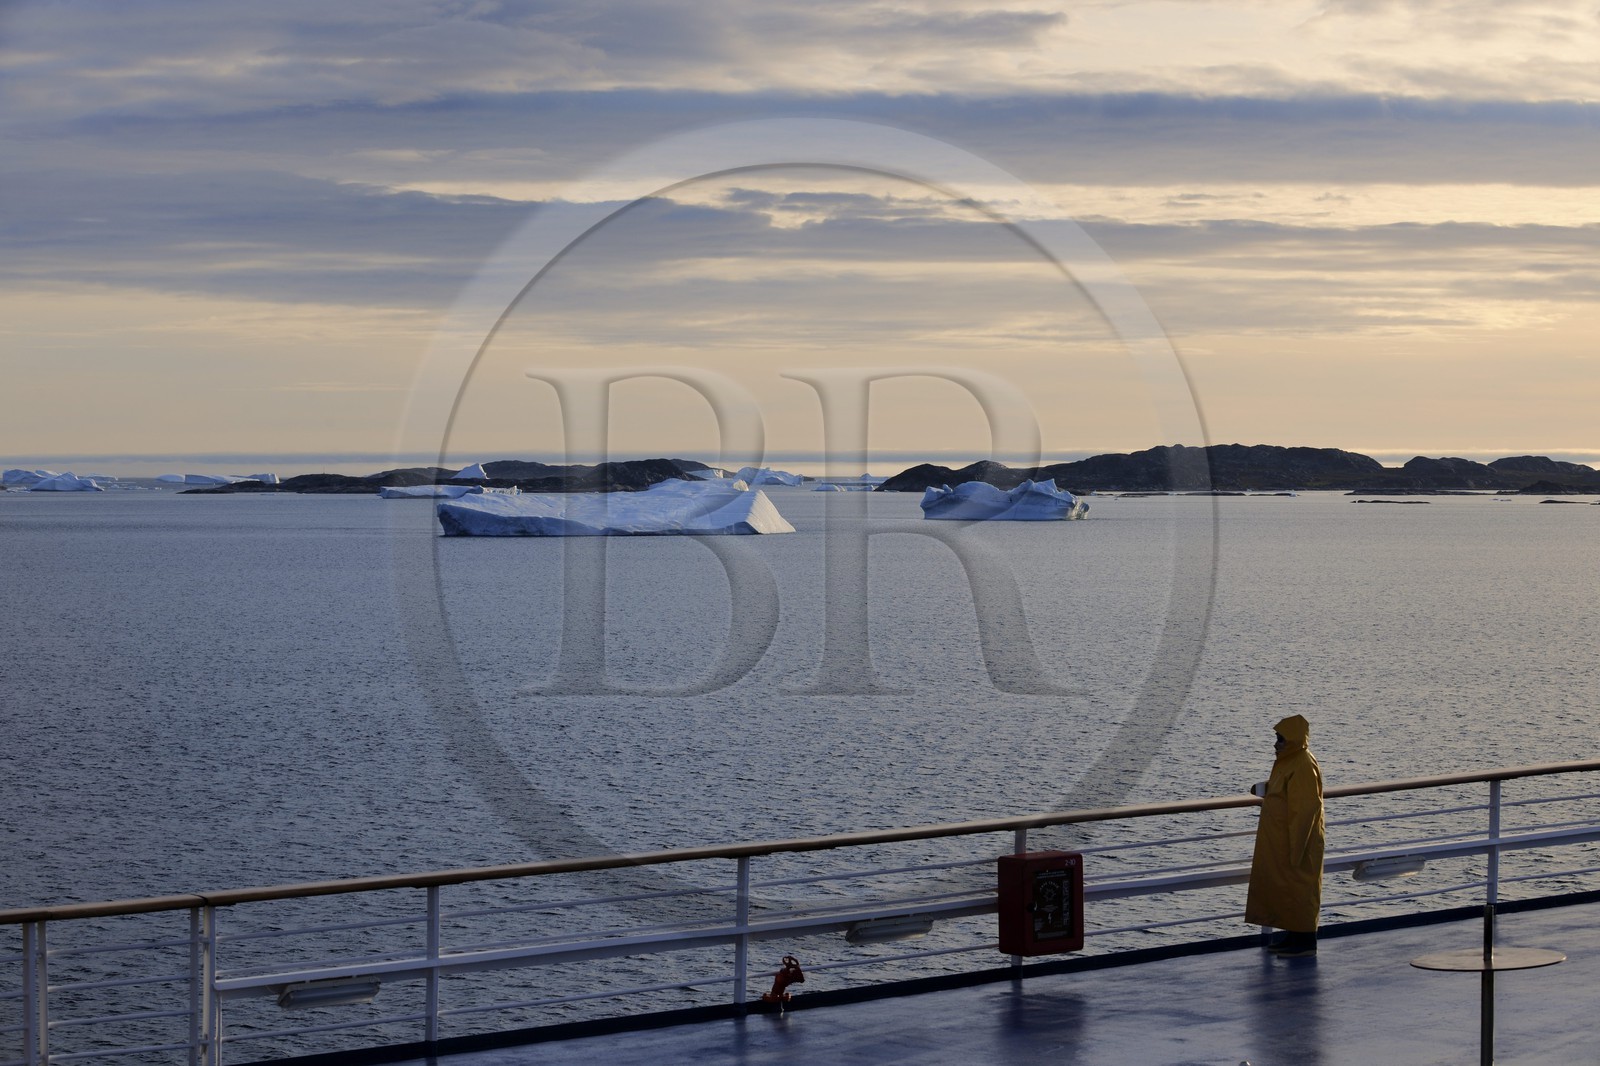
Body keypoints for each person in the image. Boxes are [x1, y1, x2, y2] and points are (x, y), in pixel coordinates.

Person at [1245, 714, 1324, 957]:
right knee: (1288, 891)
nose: (1276, 744)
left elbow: (1305, 809)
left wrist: (1296, 848)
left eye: (1280, 739)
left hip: (1296, 843)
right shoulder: (1289, 762)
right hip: (1282, 841)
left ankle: (1305, 942)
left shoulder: (1302, 764)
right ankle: (1294, 935)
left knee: (1300, 890)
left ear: (1292, 740)